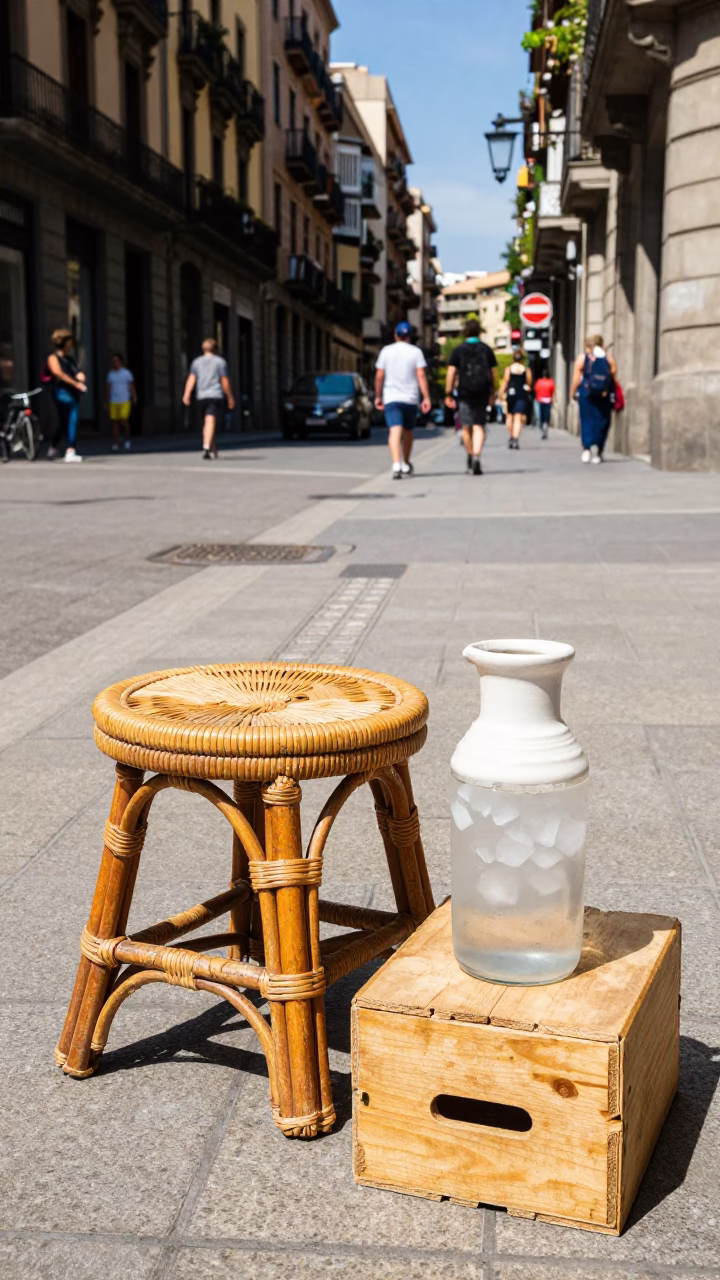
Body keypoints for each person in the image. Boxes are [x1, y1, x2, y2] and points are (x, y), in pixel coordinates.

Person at [375, 321, 431, 479]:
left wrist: (378, 396)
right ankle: (406, 462)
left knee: (394, 430)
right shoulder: (416, 352)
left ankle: (396, 464)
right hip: (410, 398)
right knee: (408, 431)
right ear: (410, 337)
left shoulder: (386, 351)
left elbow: (379, 376)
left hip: (391, 397)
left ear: (395, 335)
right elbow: (421, 375)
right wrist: (426, 397)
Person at [444, 318, 498, 475]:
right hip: (482, 391)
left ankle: (470, 453)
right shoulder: (487, 350)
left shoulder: (458, 350)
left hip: (464, 392)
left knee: (466, 427)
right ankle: (477, 455)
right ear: (479, 332)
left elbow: (451, 373)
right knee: (479, 425)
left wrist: (448, 393)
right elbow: (493, 373)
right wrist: (493, 392)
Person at [182, 337, 235, 460]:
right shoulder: (220, 362)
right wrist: (230, 396)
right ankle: (206, 447)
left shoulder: (196, 362)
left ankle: (212, 448)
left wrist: (186, 394)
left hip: (201, 395)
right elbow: (224, 380)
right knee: (210, 421)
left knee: (206, 422)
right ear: (216, 349)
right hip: (215, 394)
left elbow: (191, 378)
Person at [570, 334, 617, 463]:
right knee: (602, 420)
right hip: (603, 395)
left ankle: (587, 449)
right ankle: (599, 449)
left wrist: (573, 392)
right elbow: (613, 377)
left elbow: (576, 379)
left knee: (586, 420)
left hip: (586, 393)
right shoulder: (608, 358)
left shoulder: (582, 358)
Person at [45, 329, 86, 462]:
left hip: (71, 391)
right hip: (61, 391)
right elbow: (58, 373)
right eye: (70, 341)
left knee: (64, 421)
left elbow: (78, 371)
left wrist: (80, 376)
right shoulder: (53, 358)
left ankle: (53, 447)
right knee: (72, 414)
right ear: (65, 342)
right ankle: (70, 450)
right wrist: (76, 383)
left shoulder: (69, 359)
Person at [500, 348, 533, 449]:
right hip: (521, 395)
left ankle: (511, 436)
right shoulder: (526, 370)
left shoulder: (508, 369)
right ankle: (515, 438)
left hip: (511, 395)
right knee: (518, 418)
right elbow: (529, 382)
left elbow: (505, 383)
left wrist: (501, 393)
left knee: (510, 417)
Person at [105, 353, 137, 452]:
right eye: (113, 361)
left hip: (125, 400)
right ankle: (115, 442)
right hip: (114, 401)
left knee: (124, 421)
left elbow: (131, 386)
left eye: (116, 361)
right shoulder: (111, 374)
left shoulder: (126, 373)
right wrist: (106, 401)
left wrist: (134, 396)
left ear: (120, 362)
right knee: (115, 422)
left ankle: (127, 440)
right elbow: (108, 389)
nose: (115, 363)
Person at [534, 369, 555, 440]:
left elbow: (536, 390)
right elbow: (552, 391)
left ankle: (542, 427)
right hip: (548, 400)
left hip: (540, 400)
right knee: (547, 416)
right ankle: (545, 426)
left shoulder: (538, 382)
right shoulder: (551, 382)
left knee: (541, 416)